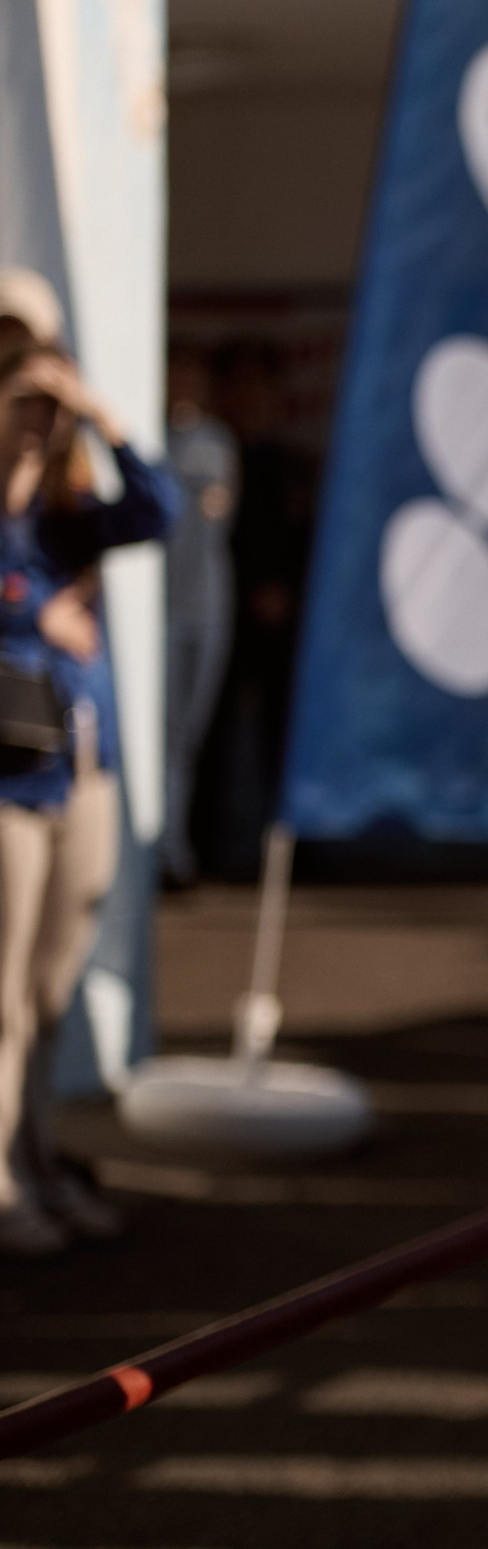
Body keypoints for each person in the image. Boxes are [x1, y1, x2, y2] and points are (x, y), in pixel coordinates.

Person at [0, 341, 178, 1256]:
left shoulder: (69, 519)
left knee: (48, 995)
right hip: (11, 779)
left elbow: (160, 510)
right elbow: (22, 601)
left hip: (82, 770)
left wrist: (102, 418)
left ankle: (35, 1165)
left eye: (49, 405)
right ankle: (5, 1187)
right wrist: (34, 615)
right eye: (24, 399)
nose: (38, 419)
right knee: (2, 997)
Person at [161, 347, 237, 887]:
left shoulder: (217, 442)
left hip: (206, 605)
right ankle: (167, 849)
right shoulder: (152, 437)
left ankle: (177, 841)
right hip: (161, 610)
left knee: (190, 732)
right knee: (163, 733)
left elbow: (222, 514)